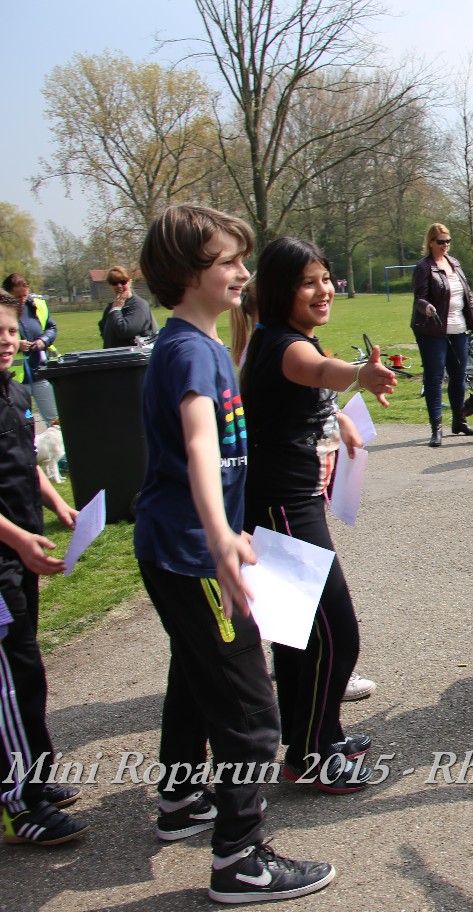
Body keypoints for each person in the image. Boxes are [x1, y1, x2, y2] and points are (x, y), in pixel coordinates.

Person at [135, 204, 335, 903]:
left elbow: (211, 456)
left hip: (183, 544)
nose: (243, 272)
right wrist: (220, 537)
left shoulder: (200, 342)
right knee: (252, 712)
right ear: (188, 274)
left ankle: (180, 798)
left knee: (197, 676)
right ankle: (239, 860)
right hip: (194, 554)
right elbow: (198, 442)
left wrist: (228, 527)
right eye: (229, 262)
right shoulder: (191, 352)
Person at [240, 237, 396, 793]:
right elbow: (319, 371)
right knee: (337, 635)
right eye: (308, 282)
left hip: (288, 503)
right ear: (280, 290)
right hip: (283, 508)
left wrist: (343, 420)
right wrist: (360, 374)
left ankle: (316, 736)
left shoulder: (282, 338)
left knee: (297, 636)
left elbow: (308, 392)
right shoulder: (286, 345)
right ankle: (312, 752)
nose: (323, 290)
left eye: (326, 278)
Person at [0, 290, 85, 846]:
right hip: (4, 559)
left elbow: (25, 462)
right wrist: (16, 539)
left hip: (18, 555)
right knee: (11, 679)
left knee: (26, 667)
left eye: (10, 331)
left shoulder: (12, 391)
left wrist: (56, 504)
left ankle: (35, 776)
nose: (7, 341)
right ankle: (19, 803)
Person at [412, 223, 473, 447]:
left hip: (458, 329)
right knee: (434, 378)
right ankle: (436, 428)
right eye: (441, 241)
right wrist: (426, 307)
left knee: (459, 377)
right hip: (432, 330)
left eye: (448, 241)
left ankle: (459, 421)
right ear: (431, 242)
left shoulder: (455, 263)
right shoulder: (424, 267)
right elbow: (419, 298)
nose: (445, 245)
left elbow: (468, 298)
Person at [1, 274, 58, 426]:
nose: (22, 300)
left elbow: (51, 328)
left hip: (40, 373)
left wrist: (43, 341)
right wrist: (16, 344)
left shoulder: (37, 306)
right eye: (17, 296)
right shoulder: (4, 312)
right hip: (16, 380)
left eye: (24, 295)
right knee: (22, 420)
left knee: (54, 419)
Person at [99, 266, 158, 347]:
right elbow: (103, 328)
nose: (119, 286)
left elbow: (124, 331)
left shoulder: (139, 305)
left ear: (130, 282)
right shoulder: (111, 307)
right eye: (114, 283)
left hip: (133, 354)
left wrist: (116, 310)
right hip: (113, 354)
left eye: (123, 282)